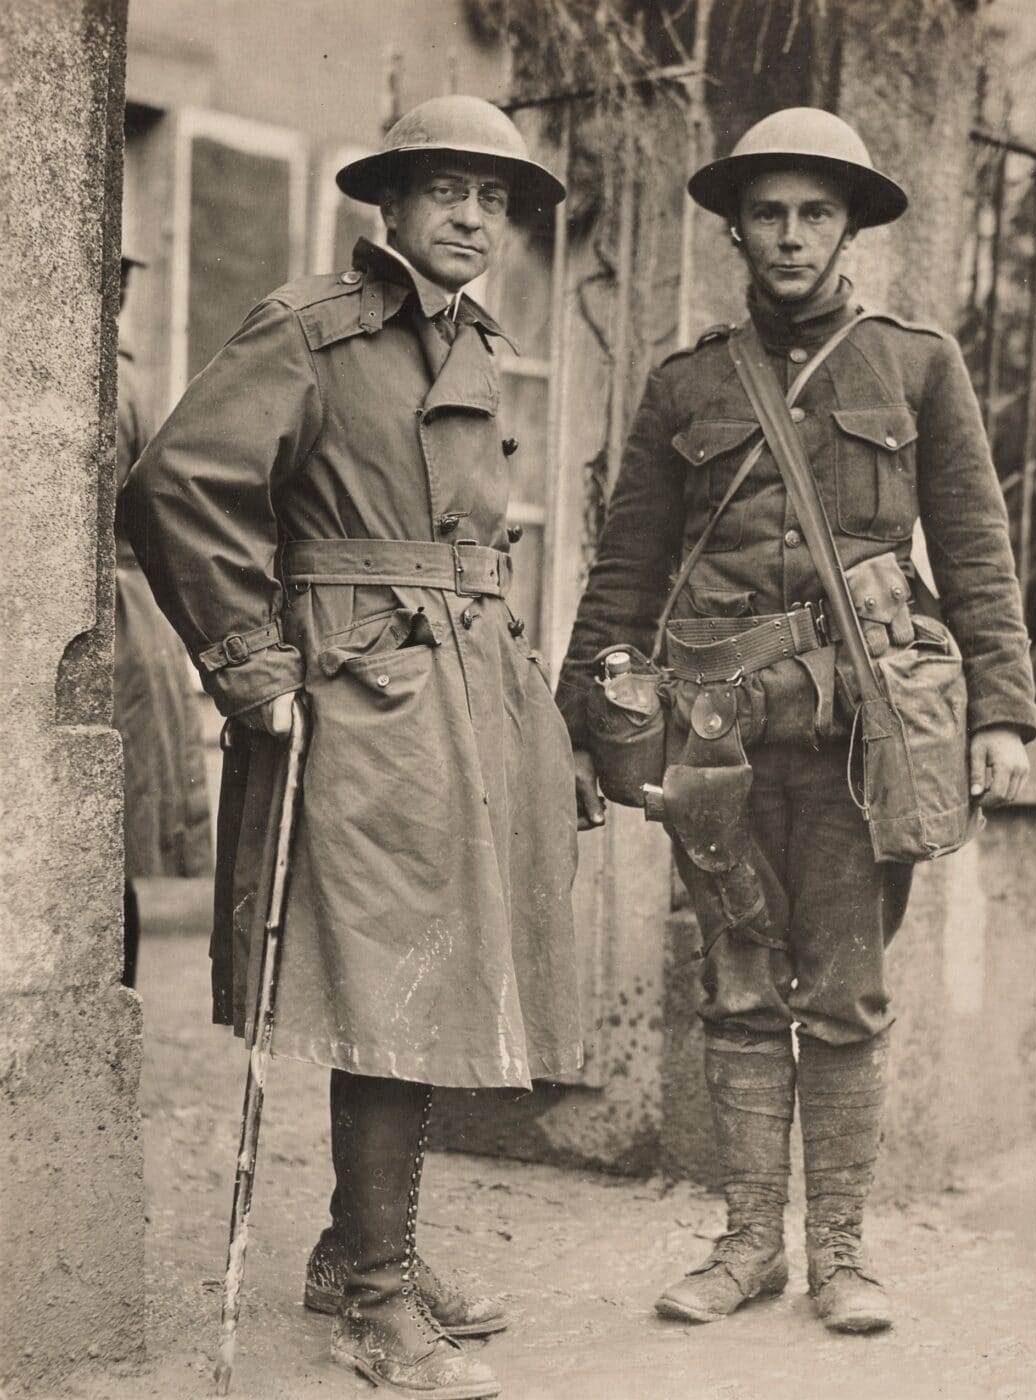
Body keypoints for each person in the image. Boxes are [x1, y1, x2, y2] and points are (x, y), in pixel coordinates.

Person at [121, 96, 581, 1399]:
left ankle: (357, 1247)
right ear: (386, 205)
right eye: (443, 189)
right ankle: (375, 1302)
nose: (469, 217)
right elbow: (178, 484)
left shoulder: (477, 342)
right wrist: (252, 666)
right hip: (356, 693)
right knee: (389, 979)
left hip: (464, 690)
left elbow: (477, 546)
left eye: (490, 198)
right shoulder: (312, 329)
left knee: (434, 972)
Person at [556, 108, 1034, 1335]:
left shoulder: (913, 363)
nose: (789, 235)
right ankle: (743, 1246)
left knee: (845, 993)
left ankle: (840, 1255)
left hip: (858, 736)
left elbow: (976, 547)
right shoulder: (686, 383)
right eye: (767, 212)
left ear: (850, 226)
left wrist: (1000, 711)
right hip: (714, 735)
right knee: (733, 984)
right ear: (733, 228)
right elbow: (626, 571)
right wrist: (600, 726)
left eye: (814, 211)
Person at [113, 251, 213, 989]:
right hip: (136, 622)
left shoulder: (104, 380)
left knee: (98, 846)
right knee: (110, 852)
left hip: (113, 624)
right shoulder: (132, 380)